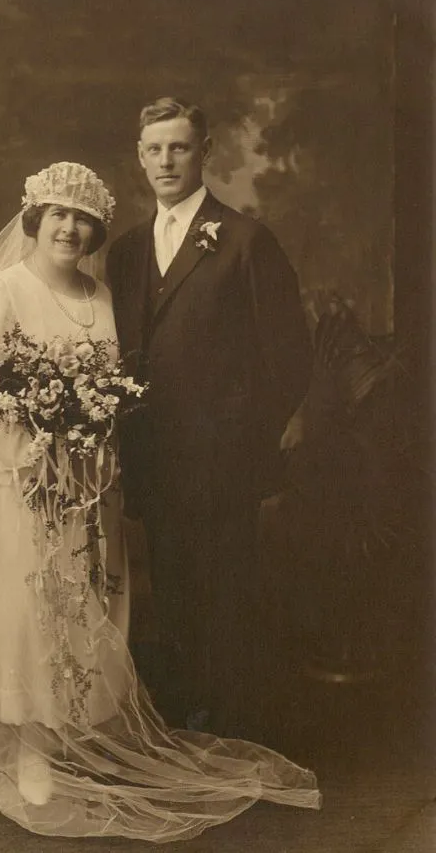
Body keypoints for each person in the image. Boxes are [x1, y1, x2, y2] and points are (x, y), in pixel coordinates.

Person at [0, 161, 319, 841]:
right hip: (21, 487)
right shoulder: (0, 295)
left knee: (84, 606)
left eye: (84, 220)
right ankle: (32, 753)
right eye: (59, 216)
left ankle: (76, 738)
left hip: (89, 482)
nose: (71, 229)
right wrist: (36, 459)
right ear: (35, 222)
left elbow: (112, 388)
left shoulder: (98, 297)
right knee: (26, 610)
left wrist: (91, 446)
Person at [107, 98, 312, 737]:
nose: (166, 160)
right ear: (140, 158)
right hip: (154, 460)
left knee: (228, 599)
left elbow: (289, 356)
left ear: (205, 152)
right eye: (154, 149)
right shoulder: (126, 250)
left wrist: (247, 443)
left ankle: (235, 732)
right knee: (173, 598)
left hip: (223, 466)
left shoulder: (246, 240)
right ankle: (185, 729)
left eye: (179, 147)